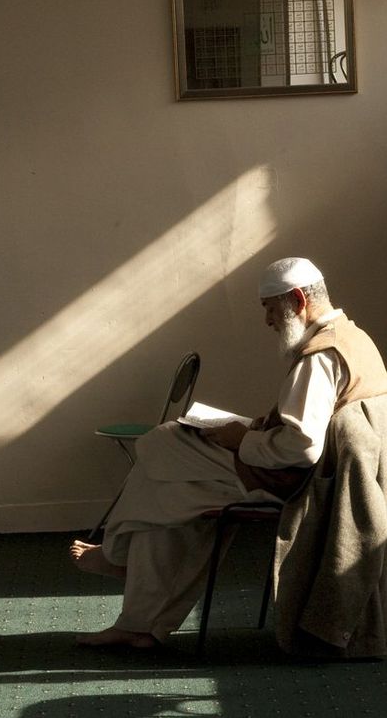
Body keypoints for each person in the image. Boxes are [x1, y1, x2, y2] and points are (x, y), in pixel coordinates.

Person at [70, 257, 387, 649]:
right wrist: (252, 427)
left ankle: (118, 553)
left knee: (160, 442)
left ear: (298, 300)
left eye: (271, 309)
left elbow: (303, 446)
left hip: (293, 482)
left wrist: (241, 440)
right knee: (169, 496)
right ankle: (140, 626)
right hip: (315, 476)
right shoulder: (353, 338)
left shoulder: (319, 357)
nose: (268, 321)